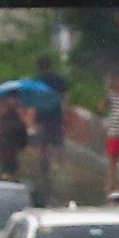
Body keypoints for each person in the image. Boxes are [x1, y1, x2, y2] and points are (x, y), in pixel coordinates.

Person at [32, 55, 67, 191]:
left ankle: (45, 168)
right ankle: (57, 166)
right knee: (57, 143)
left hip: (43, 115)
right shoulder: (58, 80)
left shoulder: (38, 81)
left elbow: (35, 99)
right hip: (56, 115)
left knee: (44, 144)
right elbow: (65, 96)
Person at [0, 97, 28, 179]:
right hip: (11, 150)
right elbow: (23, 140)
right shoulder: (18, 123)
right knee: (11, 169)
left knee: (5, 169)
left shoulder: (3, 119)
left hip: (3, 149)